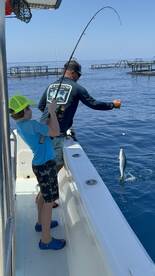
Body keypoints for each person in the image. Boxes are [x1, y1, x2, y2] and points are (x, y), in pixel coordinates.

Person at [38, 59, 121, 172]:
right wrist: (113, 105)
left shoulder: (51, 86)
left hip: (42, 130)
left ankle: (44, 183)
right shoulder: (77, 88)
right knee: (57, 164)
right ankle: (45, 188)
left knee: (45, 159)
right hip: (57, 133)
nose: (79, 78)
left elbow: (41, 106)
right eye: (79, 75)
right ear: (73, 73)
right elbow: (93, 104)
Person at [9, 95, 66, 250]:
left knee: (43, 193)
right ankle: (46, 240)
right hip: (46, 165)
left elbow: (41, 130)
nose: (31, 110)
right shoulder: (33, 125)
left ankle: (40, 223)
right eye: (29, 108)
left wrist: (47, 118)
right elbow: (55, 132)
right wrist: (53, 112)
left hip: (38, 165)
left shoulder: (22, 125)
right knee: (49, 202)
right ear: (24, 111)